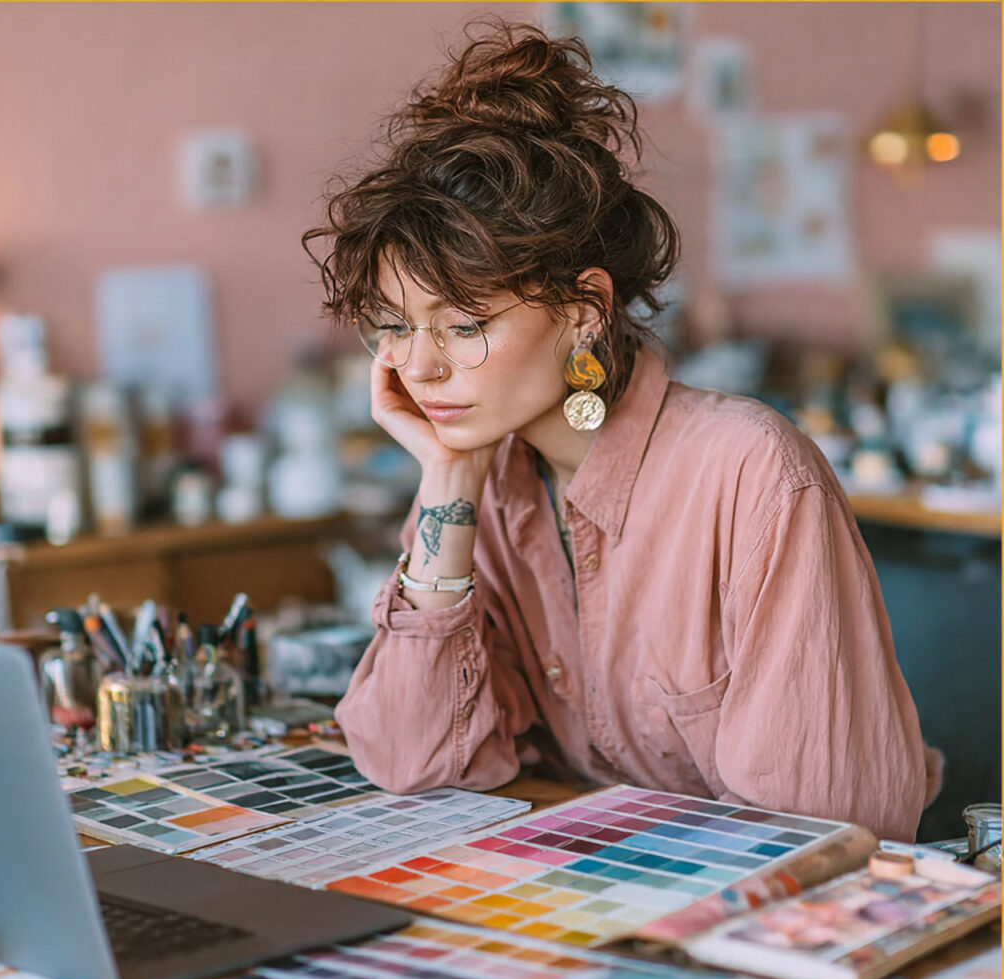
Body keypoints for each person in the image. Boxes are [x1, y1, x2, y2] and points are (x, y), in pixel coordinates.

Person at [302, 20, 939, 842]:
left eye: (462, 325)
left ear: (583, 311)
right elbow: (409, 763)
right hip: (593, 910)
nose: (416, 368)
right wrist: (447, 481)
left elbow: (821, 834)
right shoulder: (485, 485)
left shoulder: (750, 476)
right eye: (392, 326)